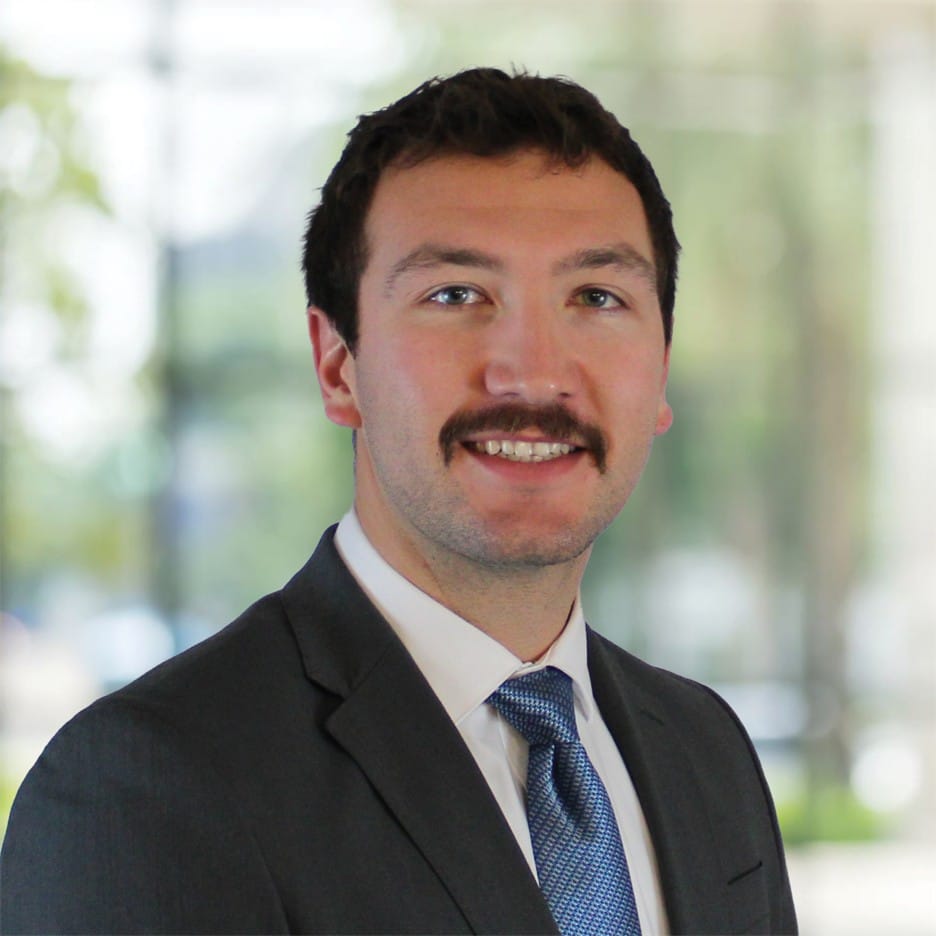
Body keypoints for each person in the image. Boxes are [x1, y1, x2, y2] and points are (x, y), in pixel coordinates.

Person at [0, 68, 797, 935]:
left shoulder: (706, 751)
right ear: (338, 366)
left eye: (597, 298)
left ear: (662, 368)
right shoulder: (148, 786)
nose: (533, 372)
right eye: (456, 295)